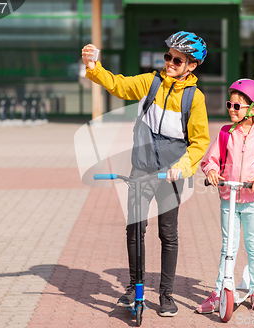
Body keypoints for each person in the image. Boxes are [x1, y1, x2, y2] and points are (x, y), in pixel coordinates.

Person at [81, 31, 210, 317]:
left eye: (178, 60)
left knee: (169, 234)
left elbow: (200, 142)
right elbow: (119, 85)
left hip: (172, 175)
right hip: (141, 168)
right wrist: (93, 67)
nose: (170, 62)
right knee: (135, 230)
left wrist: (182, 167)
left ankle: (166, 294)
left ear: (191, 66)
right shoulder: (150, 82)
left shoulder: (195, 98)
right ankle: (133, 286)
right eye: (168, 57)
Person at [199, 79, 254, 313]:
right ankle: (218, 291)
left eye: (237, 106)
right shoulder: (225, 133)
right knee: (227, 247)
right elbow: (209, 160)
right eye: (230, 104)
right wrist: (212, 171)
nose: (231, 109)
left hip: (252, 202)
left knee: (253, 246)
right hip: (229, 199)